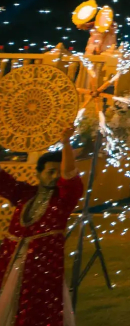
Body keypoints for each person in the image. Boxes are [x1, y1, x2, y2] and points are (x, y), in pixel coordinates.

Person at [0, 126, 80, 326]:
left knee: (39, 313)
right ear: (38, 173)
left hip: (43, 270)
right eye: (50, 172)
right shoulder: (24, 193)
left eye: (57, 172)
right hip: (10, 263)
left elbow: (69, 175)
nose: (55, 177)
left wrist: (66, 142)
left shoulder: (63, 200)